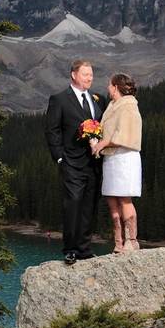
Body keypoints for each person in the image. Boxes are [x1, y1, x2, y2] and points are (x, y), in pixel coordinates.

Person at [45, 60, 109, 266]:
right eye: (85, 75)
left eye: (91, 75)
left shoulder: (98, 99)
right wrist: (59, 157)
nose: (89, 78)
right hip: (71, 162)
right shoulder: (59, 99)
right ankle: (70, 249)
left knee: (89, 205)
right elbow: (52, 130)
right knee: (72, 204)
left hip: (94, 162)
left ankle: (84, 249)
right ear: (74, 75)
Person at [92, 73, 143, 254]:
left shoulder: (128, 106)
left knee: (124, 198)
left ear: (115, 86)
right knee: (112, 199)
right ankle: (118, 241)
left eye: (109, 84)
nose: (107, 88)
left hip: (124, 156)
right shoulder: (112, 105)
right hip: (111, 158)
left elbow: (126, 134)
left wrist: (104, 142)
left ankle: (132, 240)